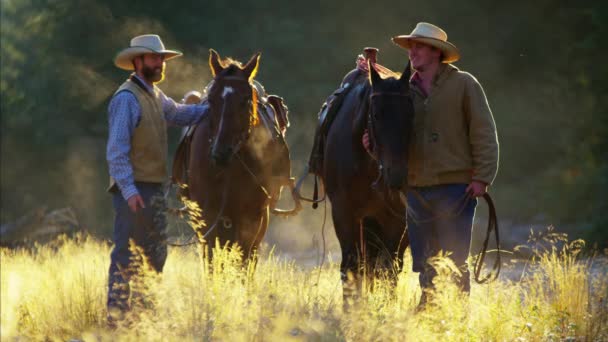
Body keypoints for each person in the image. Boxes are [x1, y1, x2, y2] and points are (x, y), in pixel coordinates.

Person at [363, 22, 499, 308]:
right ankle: (430, 314)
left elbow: (483, 132)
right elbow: (395, 138)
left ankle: (457, 317)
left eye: (419, 46)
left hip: (456, 188)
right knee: (424, 261)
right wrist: (374, 148)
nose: (412, 51)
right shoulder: (404, 91)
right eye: (411, 46)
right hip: (416, 188)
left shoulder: (464, 84)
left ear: (436, 52)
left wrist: (482, 177)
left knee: (455, 259)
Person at [106, 34, 208, 323]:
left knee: (155, 256)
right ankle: (117, 322)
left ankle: (144, 318)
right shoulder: (127, 98)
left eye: (162, 58)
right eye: (154, 58)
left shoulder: (153, 94)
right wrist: (128, 190)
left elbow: (178, 113)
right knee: (127, 256)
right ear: (137, 61)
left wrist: (213, 110)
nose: (161, 63)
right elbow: (116, 151)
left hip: (151, 188)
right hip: (134, 191)